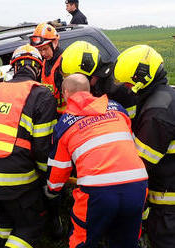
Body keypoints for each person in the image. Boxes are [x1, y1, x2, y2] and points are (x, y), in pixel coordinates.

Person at [46, 73, 148, 247]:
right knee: (126, 241)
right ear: (89, 90)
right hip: (137, 185)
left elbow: (59, 168)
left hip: (98, 191)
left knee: (82, 240)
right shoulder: (118, 109)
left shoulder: (64, 124)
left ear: (65, 93)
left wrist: (52, 191)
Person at [0, 44, 57, 248]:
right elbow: (43, 147)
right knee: (31, 226)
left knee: (5, 223)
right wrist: (49, 182)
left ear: (14, 67)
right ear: (38, 69)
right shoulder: (41, 95)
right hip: (13, 179)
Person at [113, 45, 175, 248]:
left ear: (142, 79)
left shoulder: (156, 114)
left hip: (169, 202)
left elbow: (139, 165)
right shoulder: (167, 94)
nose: (127, 89)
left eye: (129, 84)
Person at [60, 40, 137, 119]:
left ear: (89, 72)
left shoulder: (117, 89)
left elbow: (129, 121)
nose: (75, 82)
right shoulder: (95, 86)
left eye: (77, 77)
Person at [30, 22, 66, 114]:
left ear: (55, 43)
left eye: (45, 49)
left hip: (65, 114)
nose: (42, 54)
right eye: (39, 50)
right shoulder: (44, 62)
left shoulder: (65, 62)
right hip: (51, 113)